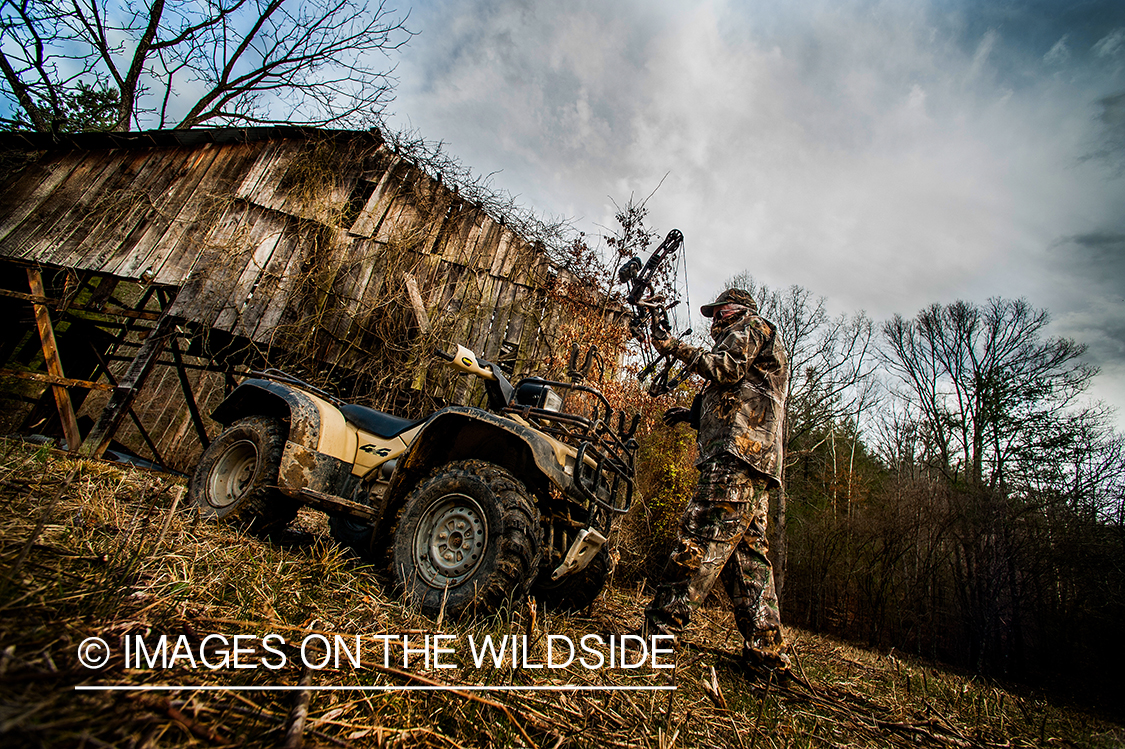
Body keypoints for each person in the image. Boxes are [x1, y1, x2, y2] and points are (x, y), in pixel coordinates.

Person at [642, 288, 791, 672]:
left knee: (699, 537)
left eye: (718, 312)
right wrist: (694, 415)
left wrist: (670, 344)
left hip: (735, 459)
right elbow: (738, 394)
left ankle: (658, 636)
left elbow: (724, 369)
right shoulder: (752, 340)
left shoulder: (752, 326)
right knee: (749, 560)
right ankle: (766, 652)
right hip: (749, 460)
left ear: (737, 309)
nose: (713, 320)